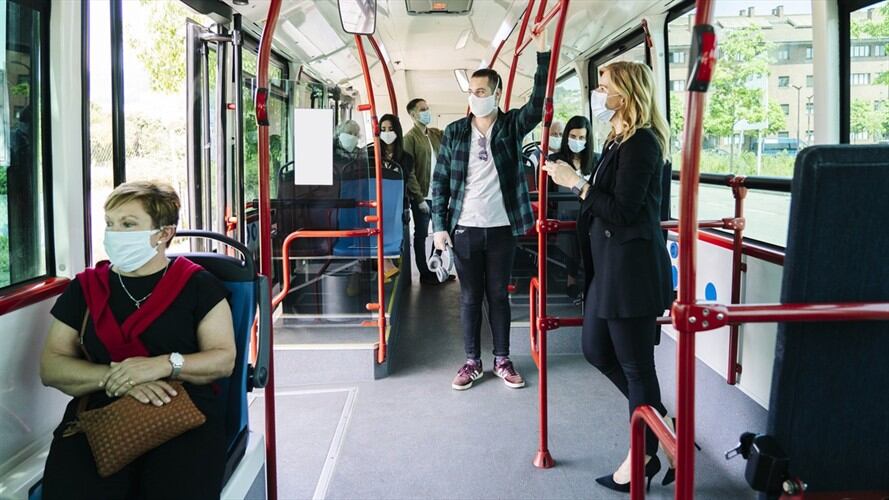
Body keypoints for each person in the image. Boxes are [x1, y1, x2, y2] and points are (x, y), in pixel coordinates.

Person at [39, 181, 236, 499]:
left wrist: (160, 365)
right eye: (110, 224)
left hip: (180, 408)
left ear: (164, 233)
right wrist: (119, 378)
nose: (114, 234)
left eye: (128, 224)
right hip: (100, 409)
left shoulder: (198, 286)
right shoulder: (86, 288)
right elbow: (52, 366)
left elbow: (223, 359)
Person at [543, 61, 674, 492]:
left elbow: (623, 210)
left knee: (636, 366)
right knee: (596, 349)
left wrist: (574, 183)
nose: (598, 94)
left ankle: (645, 456)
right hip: (609, 268)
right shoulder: (618, 140)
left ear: (626, 92)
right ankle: (658, 422)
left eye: (604, 87)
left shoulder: (643, 143)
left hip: (631, 271)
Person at [432, 29, 549, 390]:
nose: (475, 97)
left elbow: (538, 103)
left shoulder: (511, 126)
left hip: (502, 227)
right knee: (469, 297)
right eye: (472, 92)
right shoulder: (454, 133)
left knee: (498, 294)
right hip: (464, 226)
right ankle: (471, 361)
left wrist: (542, 57)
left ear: (497, 94)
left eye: (482, 92)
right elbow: (440, 184)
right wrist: (438, 226)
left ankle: (502, 358)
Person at [546, 116, 597, 300]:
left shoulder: (596, 161)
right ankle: (572, 279)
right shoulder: (555, 160)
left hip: (590, 211)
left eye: (581, 138)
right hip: (564, 211)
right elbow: (549, 195)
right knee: (571, 221)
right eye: (573, 136)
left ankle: (588, 279)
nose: (577, 141)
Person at [403, 98, 450, 284]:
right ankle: (424, 272)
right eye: (422, 109)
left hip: (439, 193)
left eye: (427, 108)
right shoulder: (410, 139)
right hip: (422, 195)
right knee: (421, 234)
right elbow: (409, 170)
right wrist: (419, 197)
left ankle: (435, 265)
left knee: (441, 231)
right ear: (413, 114)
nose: (426, 112)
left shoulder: (433, 135)